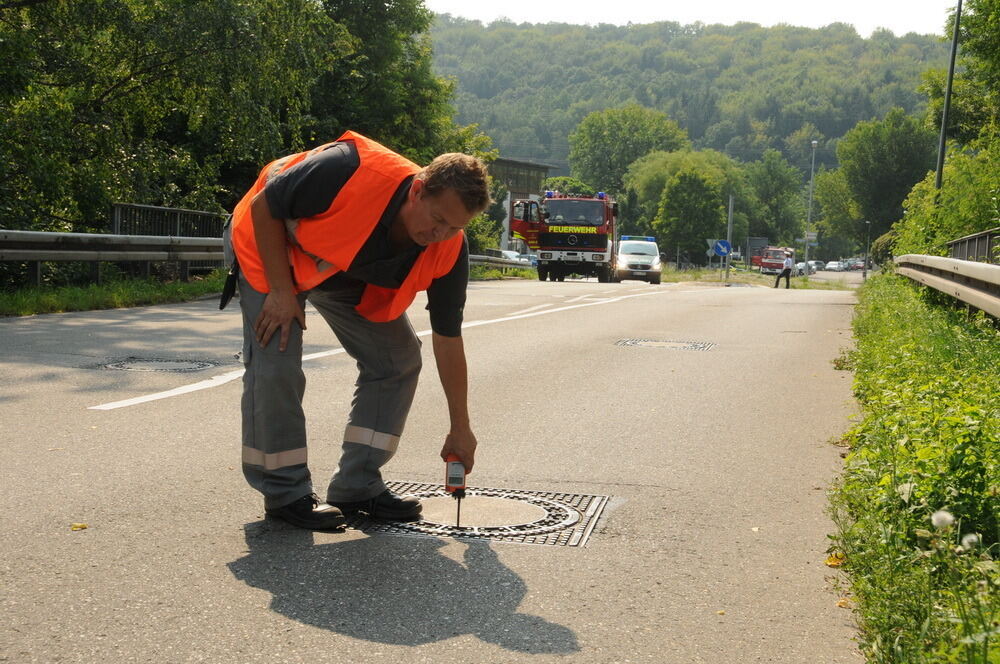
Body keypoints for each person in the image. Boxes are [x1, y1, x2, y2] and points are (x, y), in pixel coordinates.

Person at [222, 130, 491, 530]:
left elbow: (448, 338)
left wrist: (460, 427)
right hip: (269, 247)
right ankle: (285, 493)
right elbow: (265, 207)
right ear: (418, 191)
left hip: (340, 269)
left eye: (453, 227)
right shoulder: (346, 169)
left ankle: (357, 484)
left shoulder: (449, 246)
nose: (440, 235)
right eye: (437, 219)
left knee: (398, 359)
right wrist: (281, 291)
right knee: (276, 361)